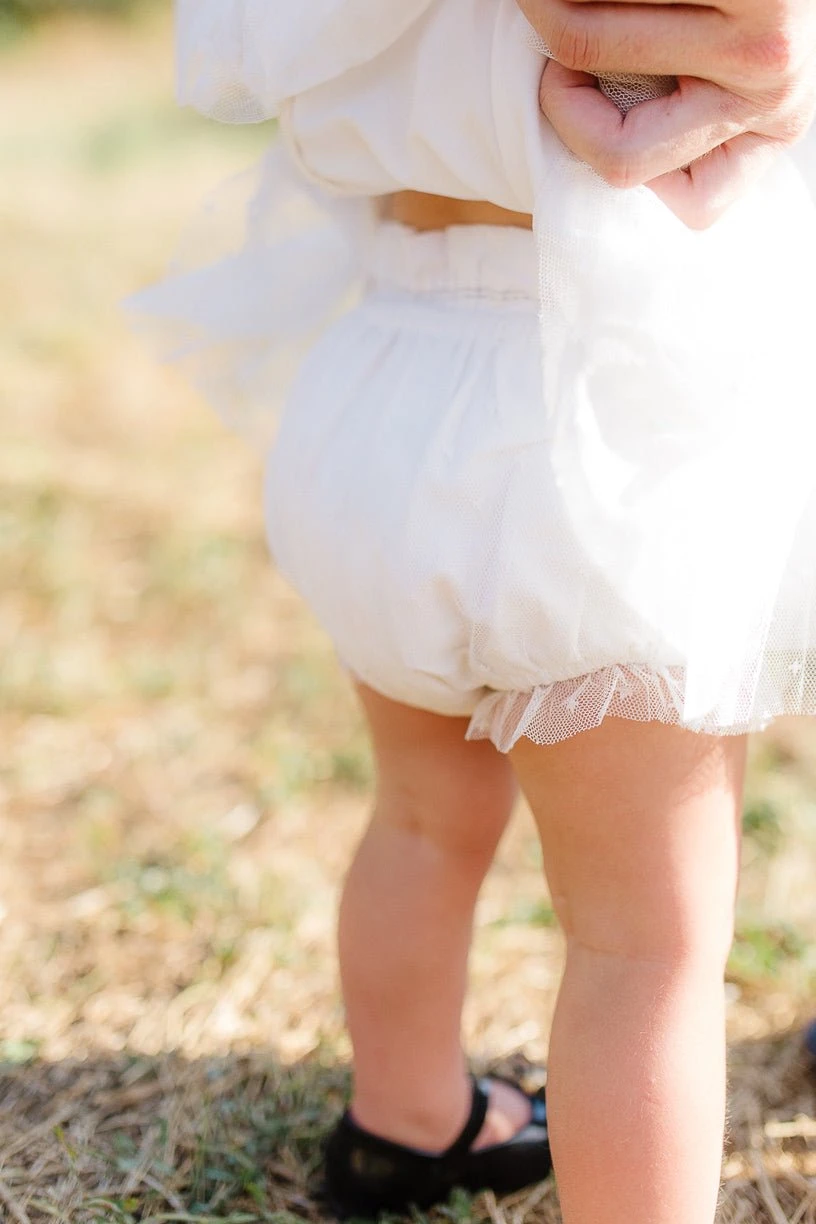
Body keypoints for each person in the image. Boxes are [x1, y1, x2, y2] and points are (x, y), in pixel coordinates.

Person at [129, 2, 816, 1221]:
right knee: (644, 947)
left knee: (420, 822)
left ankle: (405, 1122)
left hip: (382, 382)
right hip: (597, 417)